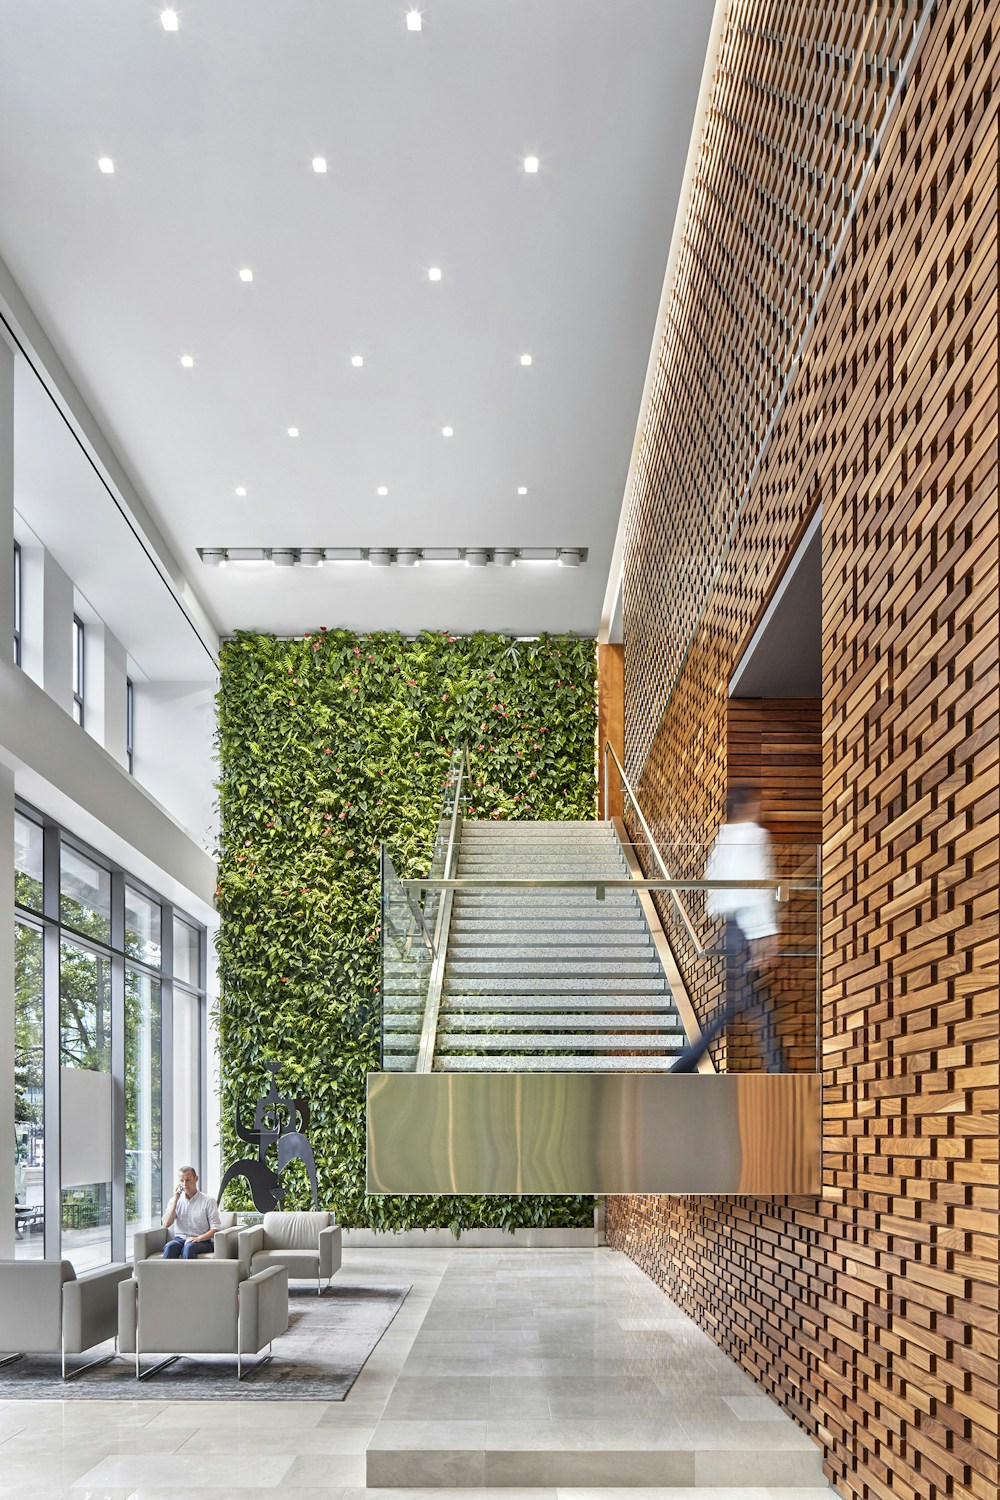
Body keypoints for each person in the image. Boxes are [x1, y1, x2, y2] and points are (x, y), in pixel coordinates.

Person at [670, 783, 786, 1072]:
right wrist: (765, 935)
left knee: (741, 1002)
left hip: (731, 928)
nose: (762, 808)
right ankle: (778, 1071)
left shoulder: (722, 841)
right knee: (751, 1004)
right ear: (746, 805)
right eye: (758, 801)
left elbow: (718, 891)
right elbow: (757, 887)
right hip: (748, 928)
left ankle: (687, 1060)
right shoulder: (754, 837)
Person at [161, 1166, 222, 1258]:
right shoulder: (175, 1201)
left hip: (203, 1241)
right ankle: (166, 1273)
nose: (185, 1184)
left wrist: (198, 1238)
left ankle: (187, 1273)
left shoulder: (209, 1201)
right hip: (180, 1239)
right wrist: (175, 1200)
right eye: (182, 1181)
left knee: (189, 1247)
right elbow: (166, 1223)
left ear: (196, 1179)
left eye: (188, 1180)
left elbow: (215, 1228)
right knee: (170, 1246)